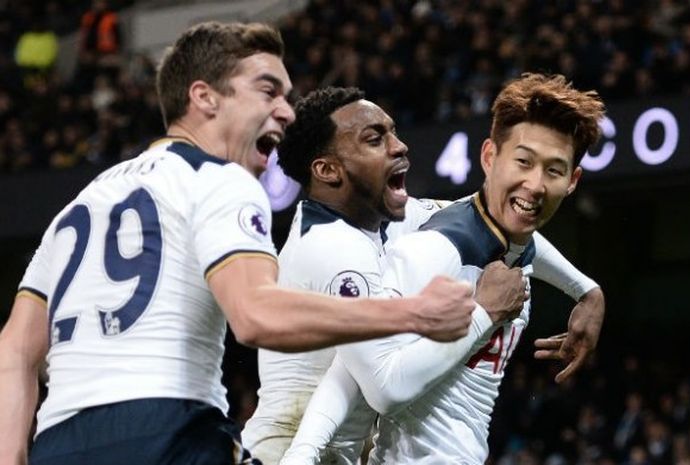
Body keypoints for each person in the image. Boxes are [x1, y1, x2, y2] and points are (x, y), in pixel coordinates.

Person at [0, 22, 476, 465]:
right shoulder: (217, 179)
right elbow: (256, 314)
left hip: (58, 444)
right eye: (267, 90)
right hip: (170, 431)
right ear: (204, 98)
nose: (286, 111)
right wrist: (414, 313)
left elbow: (16, 350)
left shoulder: (78, 208)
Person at [242, 86, 604, 464]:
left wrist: (587, 292)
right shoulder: (335, 252)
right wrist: (484, 312)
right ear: (328, 170)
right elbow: (379, 384)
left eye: (394, 131)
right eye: (375, 139)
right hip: (286, 448)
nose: (399, 146)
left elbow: (500, 222)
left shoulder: (388, 220)